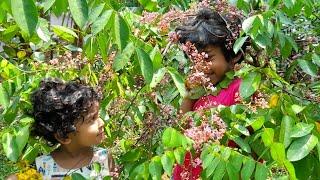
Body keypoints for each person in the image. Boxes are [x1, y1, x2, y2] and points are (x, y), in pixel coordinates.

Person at [172, 8, 247, 180]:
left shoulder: (239, 89)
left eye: (208, 58)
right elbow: (182, 127)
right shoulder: (202, 91)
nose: (201, 67)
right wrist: (189, 94)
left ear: (233, 55)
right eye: (195, 60)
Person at [7, 78, 115, 180]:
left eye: (97, 116)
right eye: (92, 119)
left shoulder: (104, 158)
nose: (102, 123)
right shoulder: (42, 167)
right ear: (63, 136)